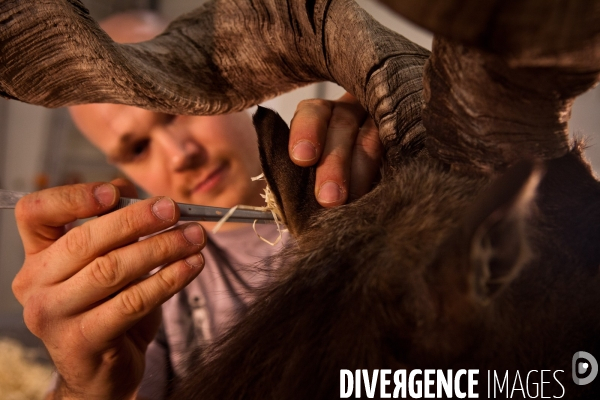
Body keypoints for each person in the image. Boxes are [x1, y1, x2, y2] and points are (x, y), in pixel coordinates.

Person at [11, 10, 382, 400]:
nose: (179, 155)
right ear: (118, 166)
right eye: (138, 148)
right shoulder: (143, 281)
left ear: (232, 88)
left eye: (175, 109)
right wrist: (86, 387)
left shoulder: (360, 180)